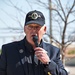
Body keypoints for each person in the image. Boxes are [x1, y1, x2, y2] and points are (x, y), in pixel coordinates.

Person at [0, 10, 68, 75]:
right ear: (24, 29)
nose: (33, 30)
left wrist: (48, 63)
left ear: (44, 29)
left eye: (37, 27)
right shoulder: (9, 51)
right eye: (30, 27)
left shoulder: (53, 52)